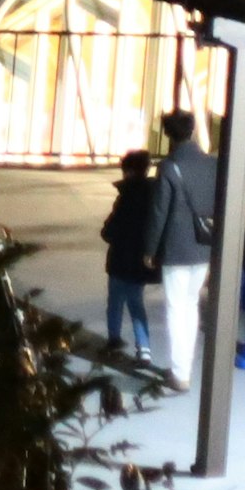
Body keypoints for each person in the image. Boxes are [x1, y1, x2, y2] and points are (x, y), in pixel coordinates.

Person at [150, 105, 222, 388]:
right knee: (190, 306)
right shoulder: (212, 164)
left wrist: (149, 249)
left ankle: (179, 372)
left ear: (169, 135)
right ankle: (185, 366)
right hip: (204, 245)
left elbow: (159, 213)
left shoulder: (169, 167)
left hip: (176, 248)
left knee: (175, 308)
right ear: (192, 131)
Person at [98, 148, 160, 366]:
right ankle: (144, 349)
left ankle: (114, 340)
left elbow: (110, 230)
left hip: (120, 259)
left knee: (115, 302)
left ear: (129, 172)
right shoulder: (154, 196)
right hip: (140, 261)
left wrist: (108, 233)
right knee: (136, 304)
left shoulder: (126, 197)